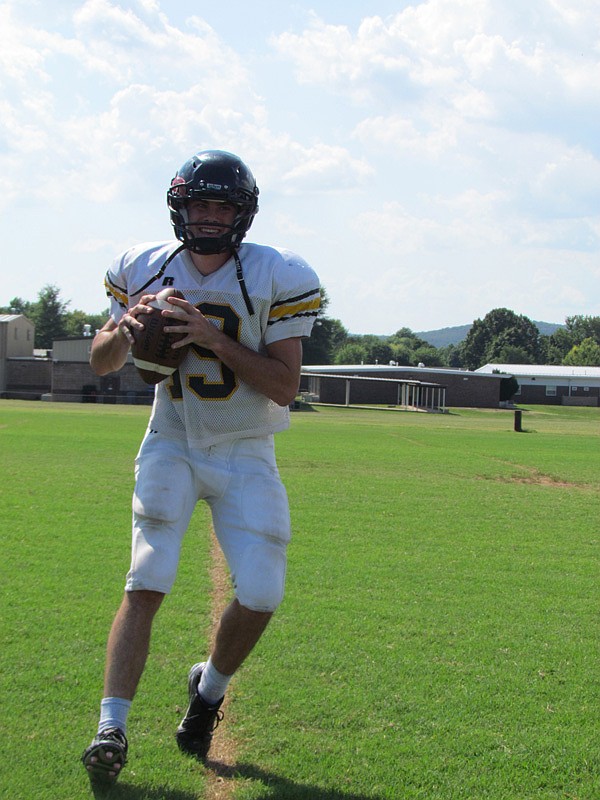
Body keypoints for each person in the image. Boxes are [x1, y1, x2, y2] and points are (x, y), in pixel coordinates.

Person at [81, 150, 320, 787]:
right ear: (179, 207)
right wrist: (125, 329)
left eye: (223, 205)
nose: (210, 216)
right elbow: (102, 362)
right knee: (147, 574)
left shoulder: (274, 273)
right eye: (200, 204)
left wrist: (214, 340)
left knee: (263, 592)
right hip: (173, 439)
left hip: (246, 449)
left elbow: (284, 385)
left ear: (242, 213)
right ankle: (111, 725)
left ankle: (207, 689)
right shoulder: (144, 265)